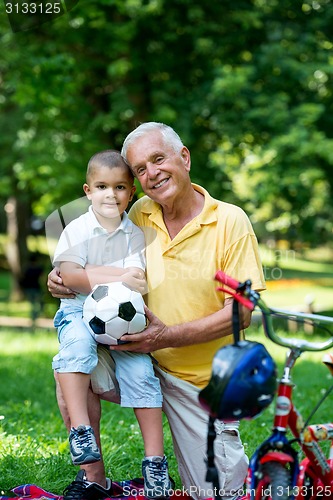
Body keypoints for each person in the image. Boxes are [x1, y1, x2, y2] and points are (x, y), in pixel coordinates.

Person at [48, 123, 266, 500]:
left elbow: (241, 314)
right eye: (140, 169)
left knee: (217, 494)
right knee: (72, 360)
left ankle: (168, 467)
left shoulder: (230, 221)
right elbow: (91, 252)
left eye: (158, 159)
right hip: (132, 355)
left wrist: (164, 337)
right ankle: (92, 478)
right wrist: (62, 278)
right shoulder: (138, 213)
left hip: (196, 383)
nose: (151, 174)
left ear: (185, 158)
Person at [51, 149, 171, 498]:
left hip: (124, 318)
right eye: (101, 186)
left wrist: (91, 274)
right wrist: (114, 274)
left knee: (142, 375)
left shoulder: (134, 234)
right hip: (77, 312)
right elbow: (71, 277)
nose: (110, 195)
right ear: (87, 191)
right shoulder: (76, 229)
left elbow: (136, 283)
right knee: (77, 351)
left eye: (119, 187)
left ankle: (155, 465)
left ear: (131, 193)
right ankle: (81, 432)